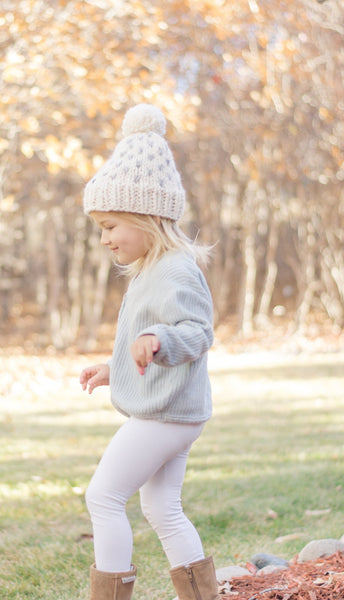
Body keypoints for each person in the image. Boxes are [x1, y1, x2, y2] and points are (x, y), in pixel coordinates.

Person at [79, 104, 220, 600]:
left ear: (148, 216)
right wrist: (115, 368)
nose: (104, 239)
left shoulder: (176, 270)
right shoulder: (149, 271)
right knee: (162, 508)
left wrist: (161, 341)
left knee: (104, 495)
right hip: (175, 411)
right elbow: (142, 349)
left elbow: (197, 332)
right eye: (100, 227)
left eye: (111, 225)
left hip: (165, 417)